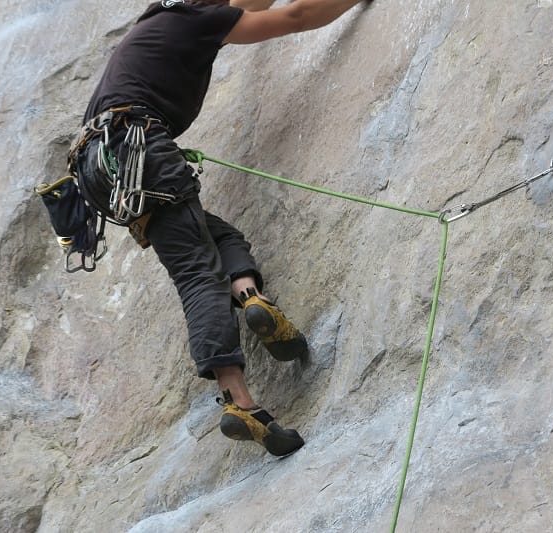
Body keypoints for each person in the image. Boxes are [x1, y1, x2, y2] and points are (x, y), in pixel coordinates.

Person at [71, 0, 370, 456]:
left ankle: (252, 298)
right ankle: (239, 401)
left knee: (219, 238)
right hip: (139, 145)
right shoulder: (200, 17)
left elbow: (244, 7)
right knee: (196, 274)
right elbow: (294, 17)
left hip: (100, 165)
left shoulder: (162, 19)